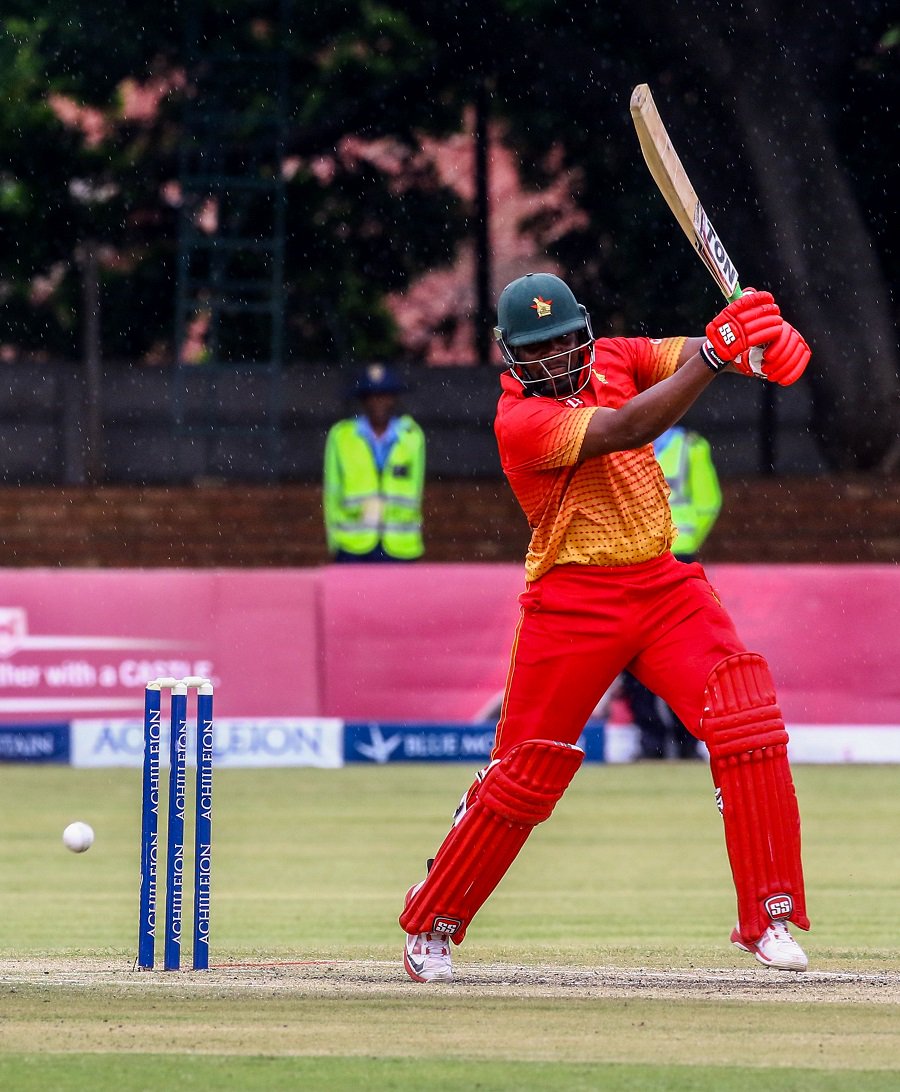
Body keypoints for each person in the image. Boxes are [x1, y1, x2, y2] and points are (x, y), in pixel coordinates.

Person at [399, 271, 812, 982]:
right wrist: (722, 354)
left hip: (663, 584)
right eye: (537, 348)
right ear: (510, 354)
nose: (555, 357)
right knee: (523, 774)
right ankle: (435, 916)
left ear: (584, 331)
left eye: (564, 340)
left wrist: (758, 346)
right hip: (572, 599)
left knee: (747, 721)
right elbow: (629, 427)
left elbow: (693, 352)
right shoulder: (520, 422)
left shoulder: (617, 356)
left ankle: (767, 916)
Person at [622, 425, 722, 760]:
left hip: (675, 556)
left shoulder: (690, 446)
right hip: (635, 557)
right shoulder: (622, 437)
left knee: (684, 652)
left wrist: (683, 541)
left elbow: (708, 502)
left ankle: (686, 740)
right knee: (633, 653)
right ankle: (651, 740)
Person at [323, 363, 425, 562]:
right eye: (373, 396)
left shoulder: (412, 436)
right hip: (352, 544)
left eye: (385, 395)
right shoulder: (342, 436)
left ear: (394, 398)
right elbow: (332, 493)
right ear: (363, 400)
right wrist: (334, 541)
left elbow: (416, 490)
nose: (379, 402)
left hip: (400, 544)